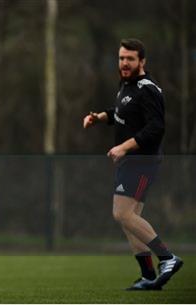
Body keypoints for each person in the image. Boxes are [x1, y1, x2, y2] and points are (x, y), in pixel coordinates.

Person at [83, 38, 183, 291]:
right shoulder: (127, 85)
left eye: (130, 59)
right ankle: (149, 275)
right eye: (121, 58)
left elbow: (156, 127)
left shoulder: (148, 88)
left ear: (142, 62)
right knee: (129, 219)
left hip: (142, 162)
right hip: (131, 162)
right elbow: (120, 111)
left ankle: (167, 258)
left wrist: (124, 146)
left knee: (122, 214)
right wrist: (99, 118)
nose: (124, 63)